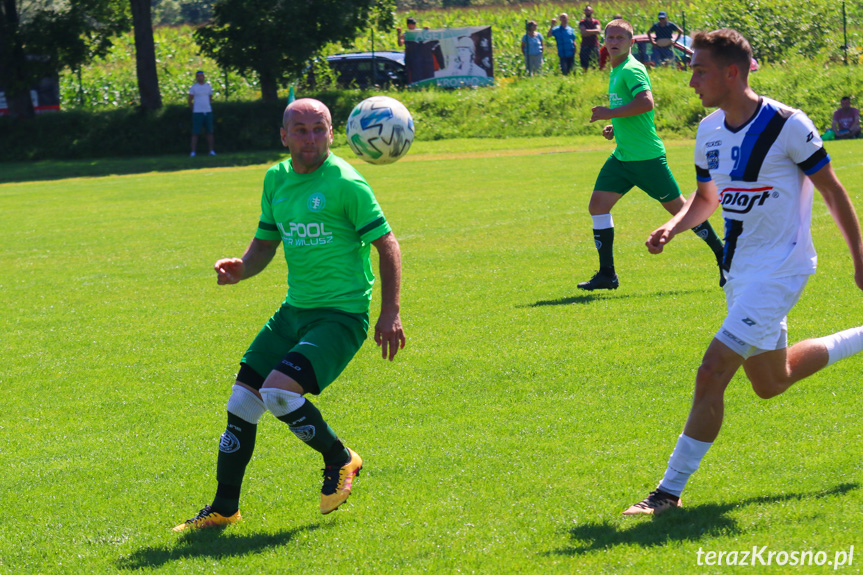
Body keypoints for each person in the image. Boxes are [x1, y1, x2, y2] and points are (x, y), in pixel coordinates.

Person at [625, 29, 863, 516]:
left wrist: (861, 261)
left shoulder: (789, 125)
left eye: (700, 70)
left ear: (732, 73)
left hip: (781, 270)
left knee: (711, 372)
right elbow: (707, 199)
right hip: (740, 273)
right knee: (771, 381)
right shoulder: (708, 130)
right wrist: (674, 225)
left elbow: (834, 193)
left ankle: (666, 493)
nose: (691, 81)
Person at [172, 98, 406, 531]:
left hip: (340, 316)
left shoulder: (347, 183)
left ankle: (341, 460)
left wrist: (389, 312)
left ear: (333, 133)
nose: (310, 138)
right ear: (283, 136)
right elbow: (265, 243)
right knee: (242, 402)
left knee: (279, 394)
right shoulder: (275, 178)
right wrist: (242, 269)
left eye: (319, 129)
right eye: (300, 130)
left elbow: (387, 245)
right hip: (294, 311)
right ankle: (224, 508)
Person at [579, 19, 725, 291]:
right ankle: (607, 275)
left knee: (683, 213)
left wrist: (609, 113)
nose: (613, 41)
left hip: (646, 159)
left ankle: (724, 256)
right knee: (598, 206)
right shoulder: (617, 69)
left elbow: (646, 102)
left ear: (631, 42)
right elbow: (631, 108)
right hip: (623, 157)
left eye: (620, 37)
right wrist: (616, 125)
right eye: (610, 37)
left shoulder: (631, 69)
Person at [188, 70, 215, 157]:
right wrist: (194, 109)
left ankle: (211, 151)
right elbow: (190, 100)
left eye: (202, 76)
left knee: (209, 132)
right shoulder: (194, 87)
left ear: (204, 77)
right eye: (198, 76)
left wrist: (206, 106)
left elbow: (210, 98)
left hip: (207, 112)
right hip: (197, 112)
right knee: (195, 132)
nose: (200, 77)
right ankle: (193, 152)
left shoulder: (208, 87)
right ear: (196, 77)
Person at [578, 5, 602, 71]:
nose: (587, 12)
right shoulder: (582, 22)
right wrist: (593, 31)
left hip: (594, 46)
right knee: (584, 64)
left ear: (592, 11)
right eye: (586, 10)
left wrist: (587, 31)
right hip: (585, 46)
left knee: (595, 63)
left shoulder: (596, 22)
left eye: (588, 10)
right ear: (584, 12)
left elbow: (598, 31)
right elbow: (583, 33)